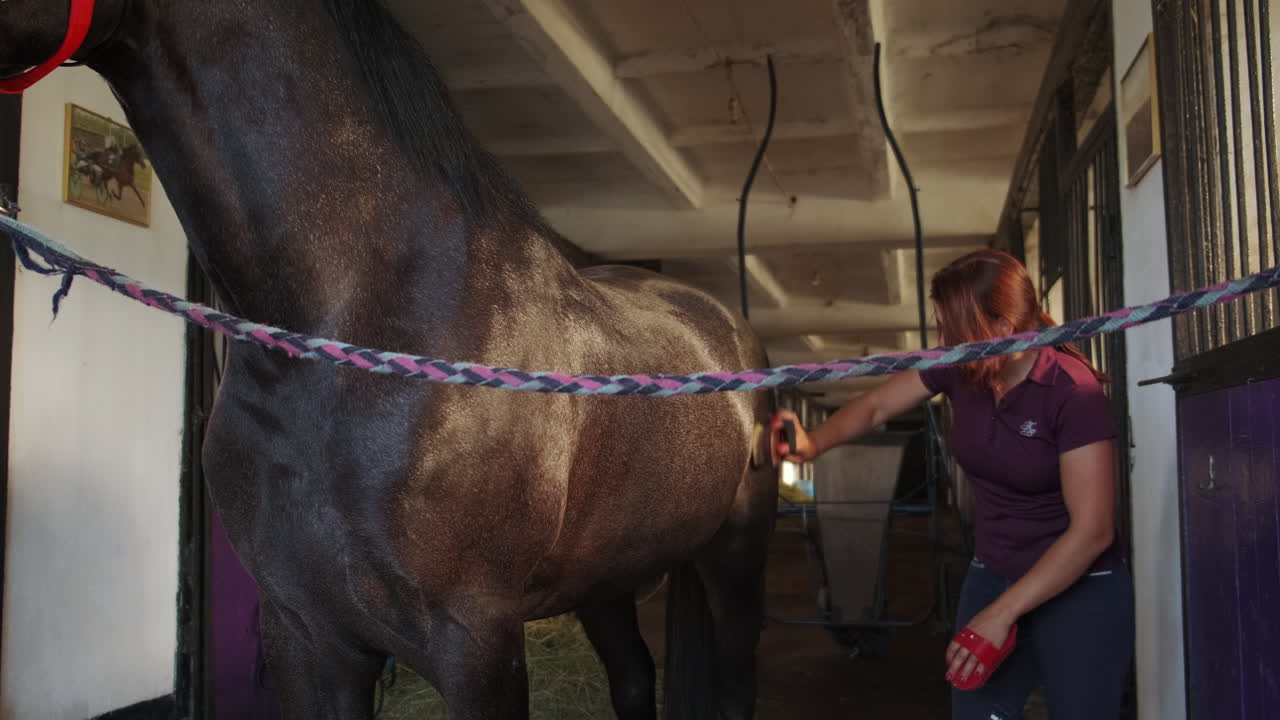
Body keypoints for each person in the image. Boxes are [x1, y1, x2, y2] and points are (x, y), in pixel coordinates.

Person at [771, 248, 1134, 720]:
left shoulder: (1072, 392)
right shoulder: (965, 366)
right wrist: (811, 444)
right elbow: (878, 407)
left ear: (1002, 330)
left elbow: (1094, 531)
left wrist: (1003, 613)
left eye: (952, 329)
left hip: (1080, 587)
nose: (943, 342)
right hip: (995, 570)